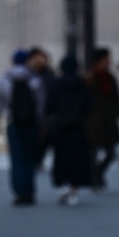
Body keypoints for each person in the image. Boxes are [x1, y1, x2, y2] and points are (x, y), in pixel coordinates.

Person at [0, 49, 40, 204]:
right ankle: (30, 192)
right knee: (29, 158)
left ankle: (19, 192)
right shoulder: (34, 79)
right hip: (31, 123)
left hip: (13, 122)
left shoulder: (3, 79)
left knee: (16, 158)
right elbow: (42, 103)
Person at [47, 54, 93, 205]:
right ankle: (74, 190)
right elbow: (89, 106)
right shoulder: (82, 85)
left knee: (61, 158)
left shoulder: (55, 84)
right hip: (78, 127)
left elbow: (49, 106)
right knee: (78, 160)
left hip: (60, 127)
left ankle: (63, 185)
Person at [86, 47, 119, 189]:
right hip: (93, 122)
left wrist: (117, 113)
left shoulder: (110, 78)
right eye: (106, 59)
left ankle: (97, 174)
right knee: (92, 153)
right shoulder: (89, 78)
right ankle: (95, 178)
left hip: (108, 121)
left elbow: (116, 98)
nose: (109, 61)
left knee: (111, 153)